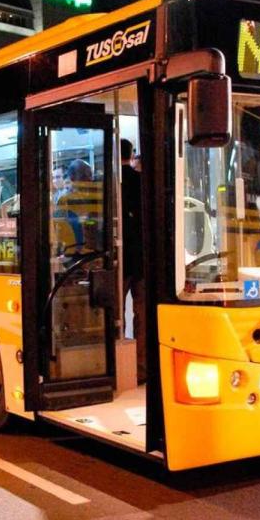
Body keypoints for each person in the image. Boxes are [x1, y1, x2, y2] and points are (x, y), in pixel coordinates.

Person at [120, 139, 146, 384]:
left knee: (116, 315)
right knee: (142, 315)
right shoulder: (142, 183)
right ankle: (141, 368)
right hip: (143, 260)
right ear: (130, 154)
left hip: (120, 261)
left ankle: (118, 367)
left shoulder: (113, 183)